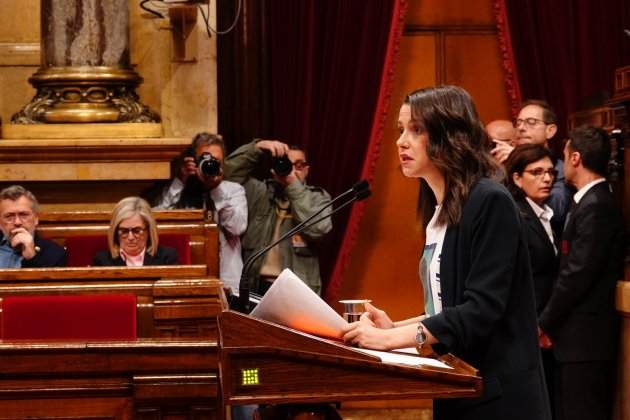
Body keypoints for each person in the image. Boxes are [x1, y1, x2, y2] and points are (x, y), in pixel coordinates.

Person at [342, 85, 551, 420]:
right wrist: (394, 326)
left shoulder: (489, 201)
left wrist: (390, 340)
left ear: (449, 135)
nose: (401, 141)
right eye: (400, 130)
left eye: (416, 129)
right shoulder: (440, 212)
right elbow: (449, 307)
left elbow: (479, 311)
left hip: (499, 397)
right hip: (459, 387)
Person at [538, 126, 624, 420]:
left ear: (575, 158)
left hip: (587, 341)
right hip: (576, 340)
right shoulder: (589, 201)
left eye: (564, 155)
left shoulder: (597, 205)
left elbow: (577, 274)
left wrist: (545, 322)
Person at [224, 140, 332, 296]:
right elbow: (227, 175)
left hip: (297, 291)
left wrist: (292, 185)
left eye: (299, 165)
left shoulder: (317, 198)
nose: (292, 170)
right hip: (256, 285)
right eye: (287, 164)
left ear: (307, 170)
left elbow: (318, 229)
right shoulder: (260, 192)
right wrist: (256, 147)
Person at [504, 144, 560, 407]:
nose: (547, 178)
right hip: (527, 328)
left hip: (547, 328)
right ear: (516, 177)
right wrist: (537, 325)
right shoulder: (515, 215)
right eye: (536, 172)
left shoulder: (547, 214)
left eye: (550, 172)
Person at [155, 132, 247, 291]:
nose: (210, 165)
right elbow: (158, 221)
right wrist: (180, 180)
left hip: (228, 280)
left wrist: (216, 189)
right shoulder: (181, 191)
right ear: (194, 162)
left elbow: (237, 227)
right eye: (205, 160)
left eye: (216, 161)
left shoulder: (233, 191)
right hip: (188, 279)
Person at [491, 100, 572, 234]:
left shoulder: (560, 169)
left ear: (550, 131)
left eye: (531, 122)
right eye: (518, 123)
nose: (521, 128)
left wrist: (517, 158)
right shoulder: (505, 163)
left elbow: (556, 212)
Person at [93, 196, 178, 266]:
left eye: (137, 231)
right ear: (115, 232)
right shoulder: (102, 261)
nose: (130, 237)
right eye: (124, 231)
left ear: (149, 230)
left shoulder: (167, 258)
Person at [0, 185, 66, 268]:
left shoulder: (55, 253)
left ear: (35, 219)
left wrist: (32, 257)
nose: (17, 222)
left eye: (23, 215)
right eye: (9, 216)